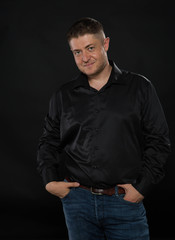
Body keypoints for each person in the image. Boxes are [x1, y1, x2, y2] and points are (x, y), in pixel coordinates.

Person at [37, 17, 171, 240]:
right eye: (77, 52)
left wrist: (142, 187)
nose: (84, 57)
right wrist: (50, 180)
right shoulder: (63, 95)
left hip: (124, 203)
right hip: (77, 204)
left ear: (105, 44)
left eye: (90, 48)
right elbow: (48, 140)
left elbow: (159, 140)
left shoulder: (140, 87)